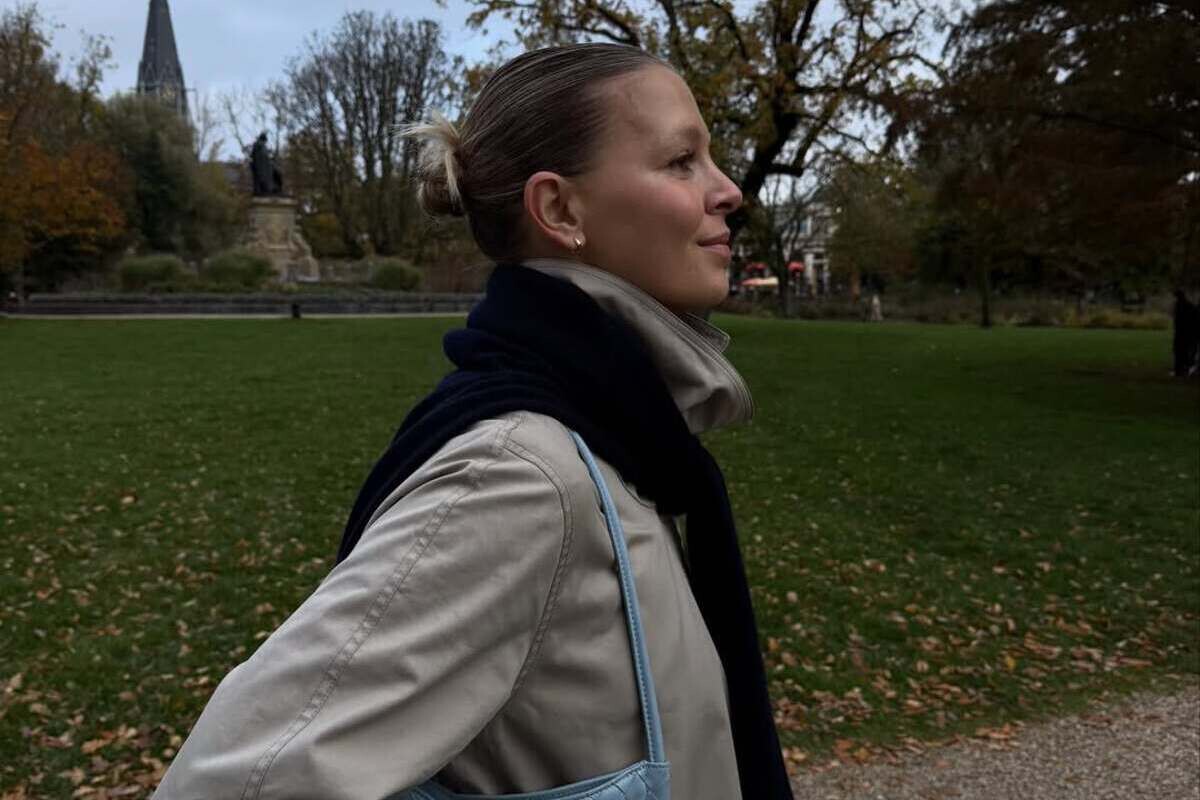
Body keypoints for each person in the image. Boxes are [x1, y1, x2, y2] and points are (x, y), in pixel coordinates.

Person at [153, 43, 792, 800]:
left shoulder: (625, 436)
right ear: (559, 210)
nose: (728, 191)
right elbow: (239, 782)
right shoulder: (522, 479)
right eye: (682, 161)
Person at [1172, 289, 1199, 377]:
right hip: (1187, 333)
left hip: (1182, 333)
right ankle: (1184, 368)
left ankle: (1180, 369)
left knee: (1180, 351)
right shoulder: (1189, 306)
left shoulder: (1180, 306)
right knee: (1185, 352)